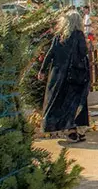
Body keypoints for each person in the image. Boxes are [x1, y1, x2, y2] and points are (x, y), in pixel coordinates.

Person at [38, 10, 90, 143]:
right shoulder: (78, 35)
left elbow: (50, 54)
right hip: (75, 76)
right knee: (74, 103)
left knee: (58, 102)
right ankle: (73, 130)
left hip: (58, 76)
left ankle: (67, 130)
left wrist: (42, 70)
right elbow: (83, 52)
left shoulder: (59, 36)